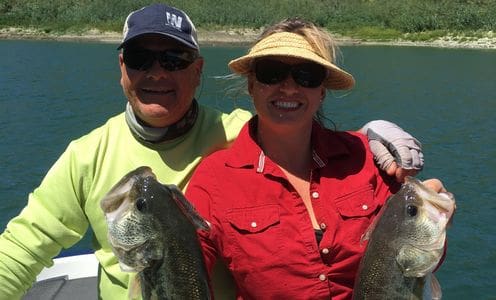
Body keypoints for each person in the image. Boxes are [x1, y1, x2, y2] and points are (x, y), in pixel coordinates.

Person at [0, 4, 423, 299]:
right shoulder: (86, 156)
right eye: (140, 59)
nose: (157, 73)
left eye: (174, 58)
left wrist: (368, 137)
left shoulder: (235, 130)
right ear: (122, 68)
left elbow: (293, 122)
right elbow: (21, 249)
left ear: (198, 71)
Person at [184, 18, 448, 299]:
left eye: (306, 75)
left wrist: (435, 220)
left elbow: (416, 262)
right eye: (271, 72)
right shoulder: (215, 179)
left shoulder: (365, 157)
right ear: (251, 85)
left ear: (321, 91)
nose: (288, 87)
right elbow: (181, 269)